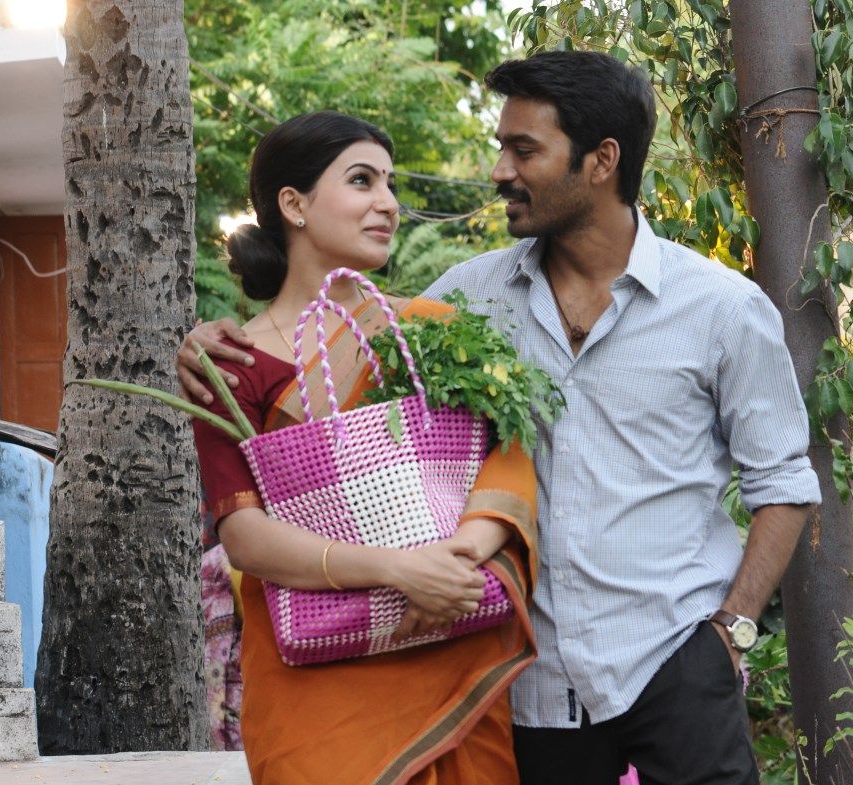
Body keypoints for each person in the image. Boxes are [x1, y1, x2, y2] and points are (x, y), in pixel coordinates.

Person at [180, 53, 820, 785]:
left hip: (673, 661)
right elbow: (344, 359)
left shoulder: (721, 308)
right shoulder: (464, 302)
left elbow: (784, 481)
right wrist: (209, 343)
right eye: (500, 147)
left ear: (601, 161)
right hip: (524, 681)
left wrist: (731, 632)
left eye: (523, 150)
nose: (498, 171)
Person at [188, 111, 538, 785]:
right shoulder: (232, 367)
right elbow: (245, 536)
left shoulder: (432, 331)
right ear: (293, 204)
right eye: (361, 181)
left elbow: (510, 451)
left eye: (389, 183)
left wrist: (453, 563)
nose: (388, 203)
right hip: (313, 695)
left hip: (449, 650)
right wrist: (402, 571)